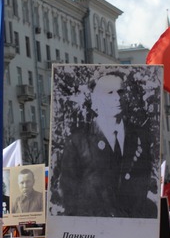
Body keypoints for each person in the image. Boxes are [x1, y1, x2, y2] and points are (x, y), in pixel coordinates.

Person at [59, 73, 157, 218]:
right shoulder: (78, 141)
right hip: (93, 225)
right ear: (97, 100)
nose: (117, 97)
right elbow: (68, 189)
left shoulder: (141, 136)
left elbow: (142, 179)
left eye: (120, 92)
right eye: (109, 93)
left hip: (132, 224)